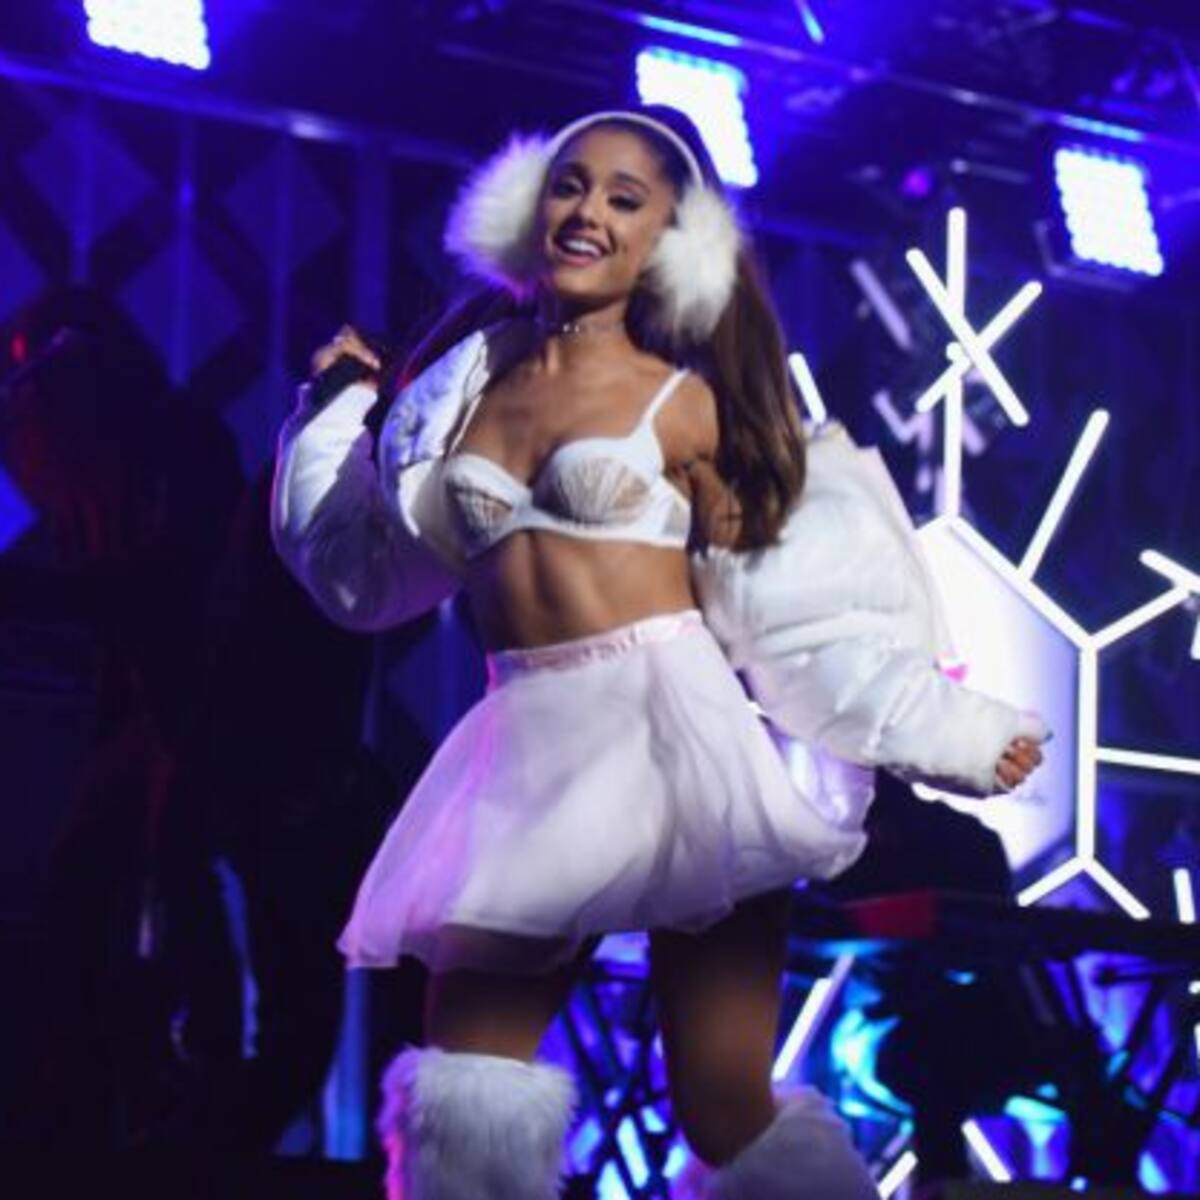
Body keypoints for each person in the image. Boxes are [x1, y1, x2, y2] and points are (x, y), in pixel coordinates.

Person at [272, 106, 1045, 1199]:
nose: (587, 211)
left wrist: (952, 731)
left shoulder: (690, 405)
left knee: (723, 1106)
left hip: (676, 744)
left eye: (624, 198)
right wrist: (334, 413)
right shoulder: (457, 390)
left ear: (668, 241)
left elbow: (796, 618)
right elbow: (360, 577)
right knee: (468, 1084)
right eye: (570, 184)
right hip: (527, 748)